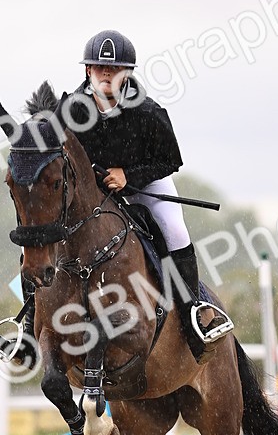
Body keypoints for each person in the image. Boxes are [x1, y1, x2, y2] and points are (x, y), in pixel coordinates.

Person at [12, 29, 233, 366]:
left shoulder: (148, 112)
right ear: (88, 71)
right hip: (92, 192)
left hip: (147, 184)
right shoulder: (70, 110)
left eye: (113, 69)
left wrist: (129, 176)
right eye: (99, 67)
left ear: (127, 74)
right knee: (44, 233)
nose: (106, 74)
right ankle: (27, 323)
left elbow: (170, 161)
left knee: (174, 231)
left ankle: (193, 314)